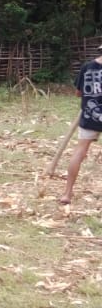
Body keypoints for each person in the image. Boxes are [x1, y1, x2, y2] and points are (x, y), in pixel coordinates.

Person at [60, 44, 102, 205]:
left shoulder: (87, 67)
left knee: (79, 152)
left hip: (90, 116)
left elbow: (78, 93)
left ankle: (67, 194)